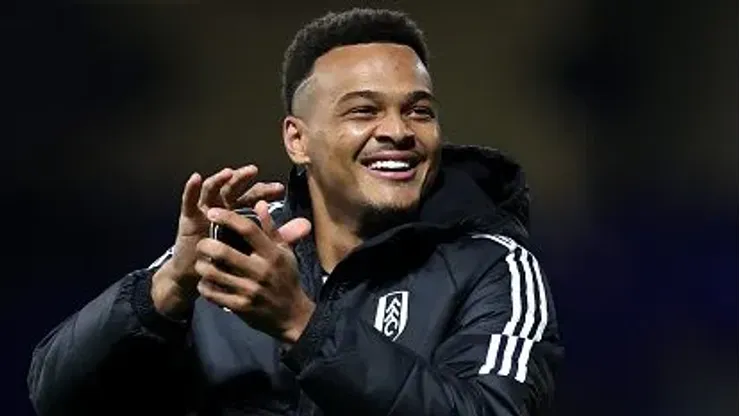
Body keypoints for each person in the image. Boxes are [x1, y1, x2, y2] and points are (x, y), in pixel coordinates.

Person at [27, 8, 563, 416]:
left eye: (418, 111)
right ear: (297, 139)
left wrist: (302, 325)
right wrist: (166, 287)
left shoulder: (492, 266)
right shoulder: (235, 250)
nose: (398, 131)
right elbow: (53, 394)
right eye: (364, 110)